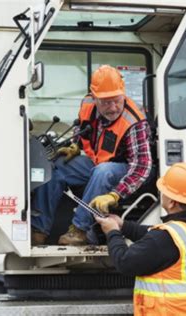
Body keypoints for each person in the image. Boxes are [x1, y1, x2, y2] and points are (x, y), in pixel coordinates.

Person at [31, 65, 153, 246]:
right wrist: (76, 145)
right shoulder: (87, 104)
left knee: (103, 171)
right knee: (56, 164)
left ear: (123, 94)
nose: (113, 107)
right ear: (94, 98)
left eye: (117, 100)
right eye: (105, 102)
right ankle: (38, 229)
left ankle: (79, 230)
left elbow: (142, 166)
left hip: (127, 171)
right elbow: (84, 129)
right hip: (98, 165)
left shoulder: (134, 121)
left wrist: (115, 194)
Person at [95, 162, 186, 315]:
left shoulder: (166, 237)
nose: (161, 193)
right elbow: (155, 237)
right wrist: (123, 225)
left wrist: (112, 232)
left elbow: (125, 262)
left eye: (163, 191)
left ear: (172, 202)